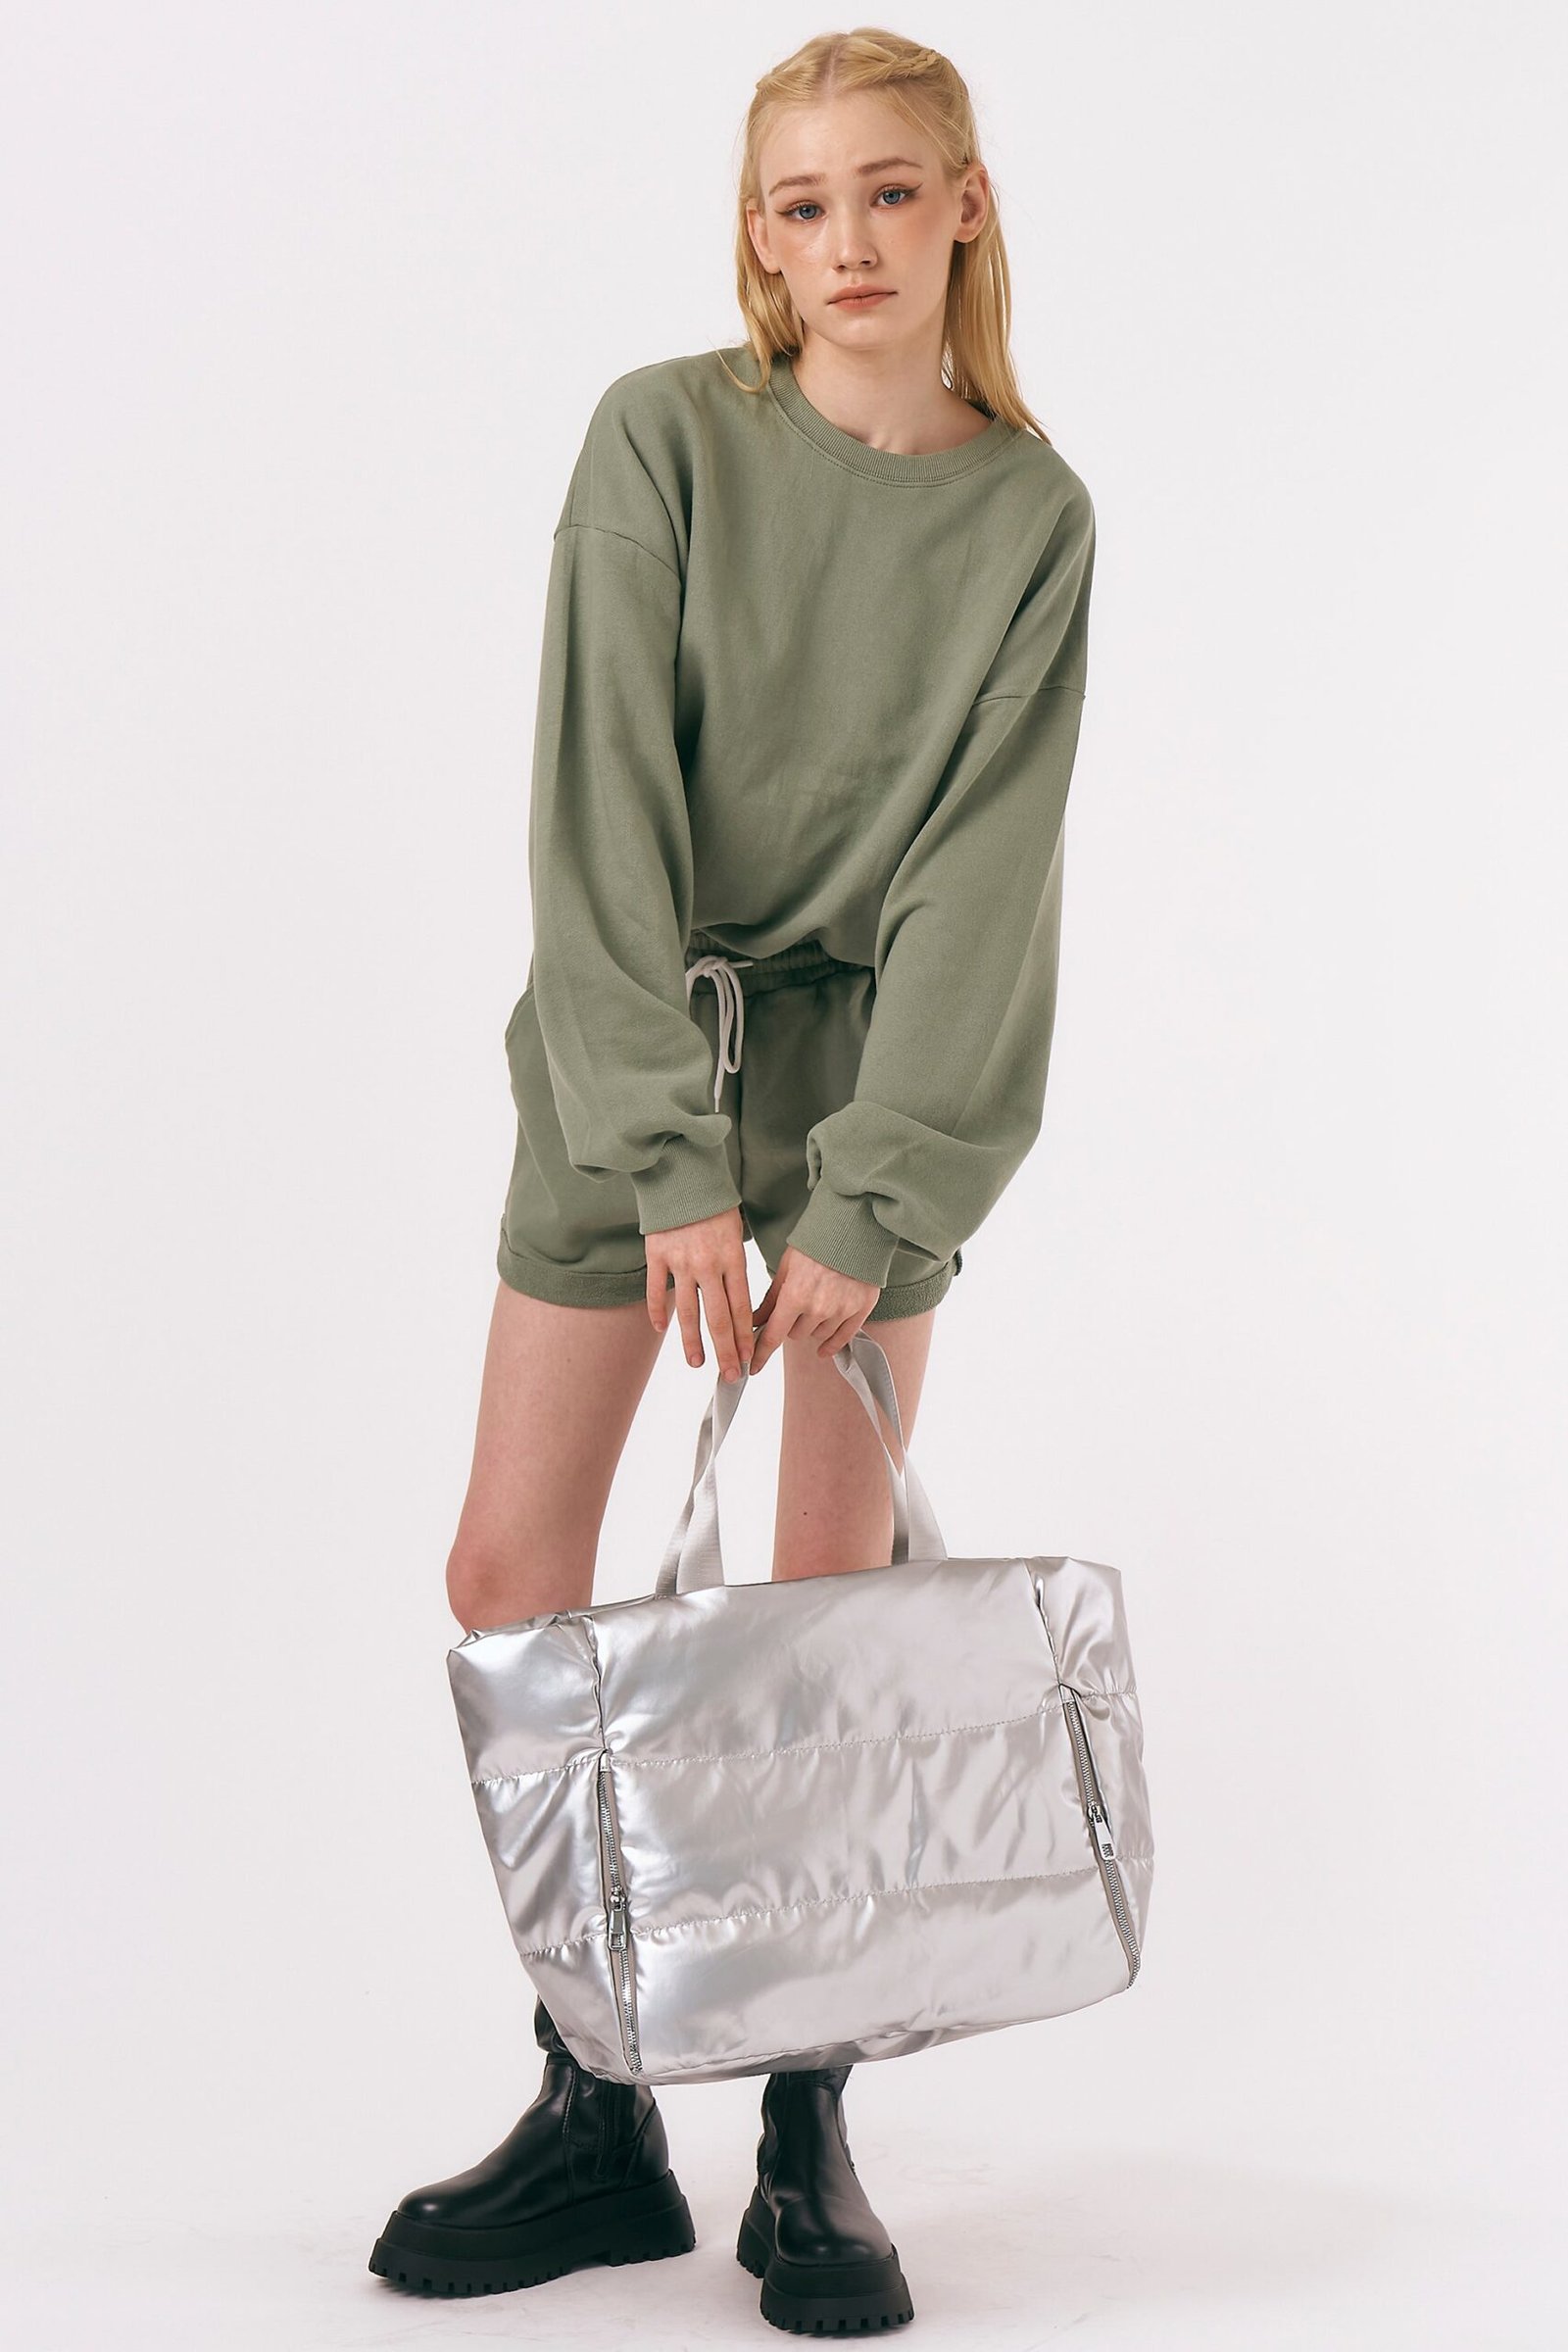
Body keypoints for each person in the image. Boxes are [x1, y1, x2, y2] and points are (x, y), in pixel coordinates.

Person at [368, 25, 1096, 2337]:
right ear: (754, 240)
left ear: (963, 206)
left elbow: (984, 885)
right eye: (800, 205)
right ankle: (597, 2104)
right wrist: (666, 1159)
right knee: (510, 1574)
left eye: (887, 192)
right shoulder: (661, 438)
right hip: (636, 1067)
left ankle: (802, 2125)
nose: (845, 241)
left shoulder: (1030, 517)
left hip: (876, 1088)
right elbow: (595, 805)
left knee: (814, 1632)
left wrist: (868, 1205)